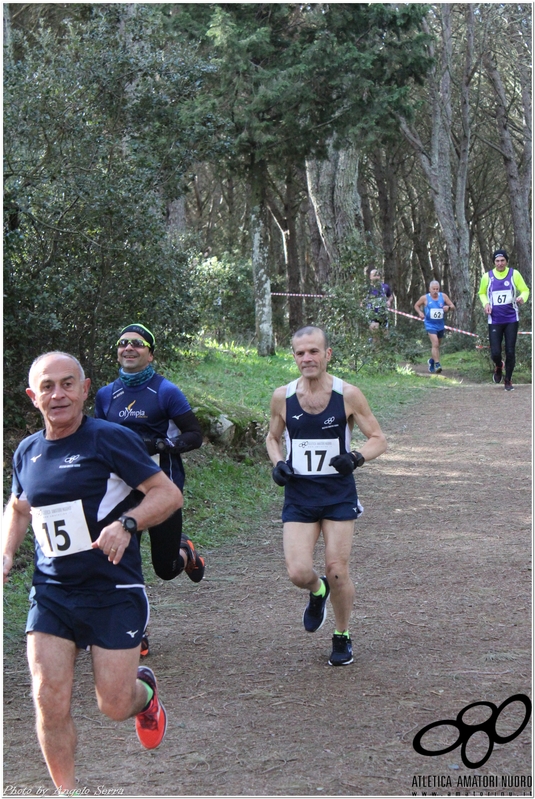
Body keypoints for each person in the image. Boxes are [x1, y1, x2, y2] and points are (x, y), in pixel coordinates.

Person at [3, 352, 183, 792]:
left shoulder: (110, 439)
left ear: (85, 390)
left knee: (114, 703)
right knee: (48, 698)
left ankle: (145, 695)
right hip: (52, 592)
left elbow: (168, 493)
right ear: (33, 396)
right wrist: (6, 553)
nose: (58, 393)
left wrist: (128, 523)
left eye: (68, 384)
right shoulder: (27, 451)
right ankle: (67, 792)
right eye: (48, 386)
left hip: (112, 588)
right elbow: (20, 507)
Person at [266, 326, 387, 666]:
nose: (307, 358)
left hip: (337, 494)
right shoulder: (283, 397)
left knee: (337, 568)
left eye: (314, 351)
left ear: (327, 354)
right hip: (300, 495)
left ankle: (342, 634)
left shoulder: (347, 394)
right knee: (298, 573)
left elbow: (378, 437)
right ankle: (317, 591)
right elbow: (272, 438)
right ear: (293, 357)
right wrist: (278, 464)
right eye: (300, 353)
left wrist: (355, 457)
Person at [95, 323, 205, 657]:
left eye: (137, 344)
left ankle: (185, 553)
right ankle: (136, 632)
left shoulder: (165, 391)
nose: (129, 348)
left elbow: (194, 435)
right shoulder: (105, 395)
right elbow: (97, 438)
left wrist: (162, 443)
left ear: (150, 353)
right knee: (121, 561)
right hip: (119, 492)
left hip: (161, 489)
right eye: (123, 343)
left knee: (164, 568)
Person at [477, 249, 530, 391]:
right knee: (495, 352)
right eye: (497, 261)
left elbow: (525, 290)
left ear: (506, 261)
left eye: (502, 261)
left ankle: (508, 380)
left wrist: (522, 298)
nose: (500, 263)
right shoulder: (487, 277)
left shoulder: (514, 274)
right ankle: (499, 366)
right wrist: (486, 303)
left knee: (510, 351)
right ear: (494, 262)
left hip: (511, 318)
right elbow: (481, 293)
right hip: (494, 320)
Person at [414, 280, 455, 374]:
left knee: (437, 345)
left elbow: (453, 306)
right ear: (429, 289)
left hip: (440, 325)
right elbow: (416, 305)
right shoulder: (425, 298)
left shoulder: (443, 296)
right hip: (430, 324)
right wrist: (420, 312)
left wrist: (448, 308)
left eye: (437, 289)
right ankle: (437, 364)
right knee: (435, 343)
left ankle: (431, 361)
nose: (435, 291)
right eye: (433, 289)